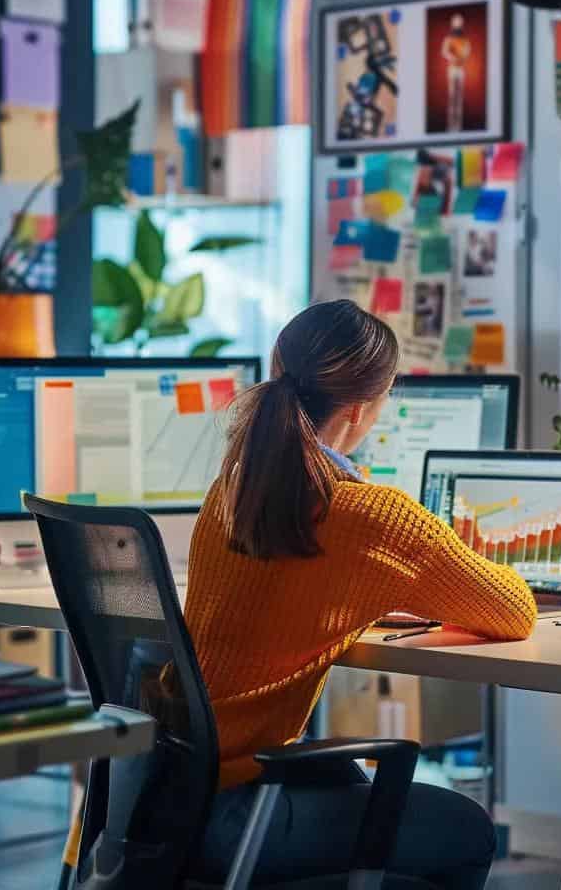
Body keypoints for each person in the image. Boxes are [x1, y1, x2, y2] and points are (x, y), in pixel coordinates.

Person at [184, 299, 536, 888]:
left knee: (351, 780)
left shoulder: (233, 488)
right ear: (361, 407)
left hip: (167, 794)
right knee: (467, 829)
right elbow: (515, 612)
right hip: (243, 811)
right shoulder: (371, 516)